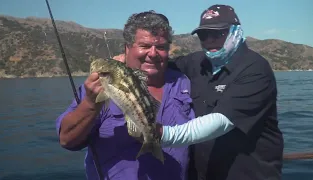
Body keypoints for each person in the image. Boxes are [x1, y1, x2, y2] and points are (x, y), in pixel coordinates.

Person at [114, 4, 284, 180]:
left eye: (218, 33)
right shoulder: (196, 62)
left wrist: (160, 134)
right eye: (204, 34)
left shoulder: (254, 69)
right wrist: (125, 62)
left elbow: (221, 122)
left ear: (236, 31)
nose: (210, 40)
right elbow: (157, 63)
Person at [55, 10, 195, 180]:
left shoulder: (183, 82)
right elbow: (67, 139)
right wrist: (91, 104)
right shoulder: (98, 86)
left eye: (161, 47)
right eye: (144, 46)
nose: (153, 53)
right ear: (127, 47)